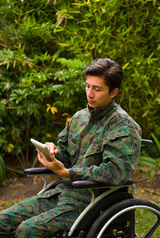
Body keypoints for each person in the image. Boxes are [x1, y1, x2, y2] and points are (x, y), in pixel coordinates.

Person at [0, 58, 142, 237]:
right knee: (2, 221)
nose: (90, 93)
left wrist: (68, 173)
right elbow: (64, 157)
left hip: (90, 202)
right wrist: (51, 153)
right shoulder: (79, 118)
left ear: (113, 92)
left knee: (27, 230)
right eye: (87, 86)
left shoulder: (122, 126)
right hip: (60, 193)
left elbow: (116, 172)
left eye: (97, 89)